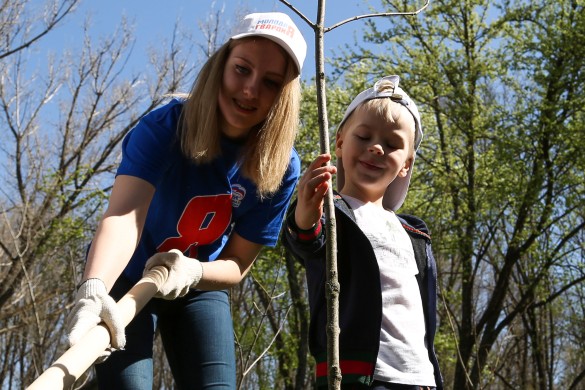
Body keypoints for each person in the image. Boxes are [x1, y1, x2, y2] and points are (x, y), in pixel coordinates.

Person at [65, 12, 307, 389]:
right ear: (221, 64)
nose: (250, 90)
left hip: (195, 285)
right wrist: (94, 288)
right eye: (242, 69)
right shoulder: (163, 128)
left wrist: (193, 272)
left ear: (285, 96)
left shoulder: (281, 167)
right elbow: (123, 218)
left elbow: (238, 262)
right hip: (123, 275)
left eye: (271, 82)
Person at [283, 75, 443, 389]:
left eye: (393, 144)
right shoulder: (333, 211)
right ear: (340, 142)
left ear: (406, 165)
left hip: (420, 378)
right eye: (364, 136)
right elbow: (306, 241)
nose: (377, 148)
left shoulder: (414, 234)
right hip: (358, 376)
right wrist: (307, 210)